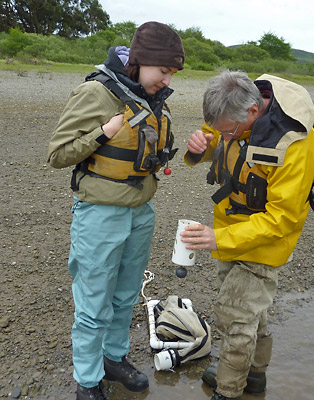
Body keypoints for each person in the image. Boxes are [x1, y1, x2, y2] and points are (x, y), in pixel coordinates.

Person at [47, 21, 185, 400]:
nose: (168, 78)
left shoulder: (151, 97)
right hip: (100, 215)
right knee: (93, 303)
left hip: (141, 212)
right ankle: (88, 381)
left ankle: (114, 358)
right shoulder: (95, 93)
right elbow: (57, 154)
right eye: (164, 70)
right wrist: (102, 134)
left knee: (125, 296)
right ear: (140, 62)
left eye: (173, 72)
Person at [181, 71, 314, 400]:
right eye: (217, 128)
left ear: (253, 113)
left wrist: (219, 240)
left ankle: (229, 390)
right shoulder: (231, 111)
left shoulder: (296, 143)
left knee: (235, 315)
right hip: (229, 228)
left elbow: (282, 219)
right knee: (248, 310)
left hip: (265, 243)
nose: (221, 134)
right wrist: (200, 147)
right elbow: (214, 141)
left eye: (226, 130)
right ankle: (255, 378)